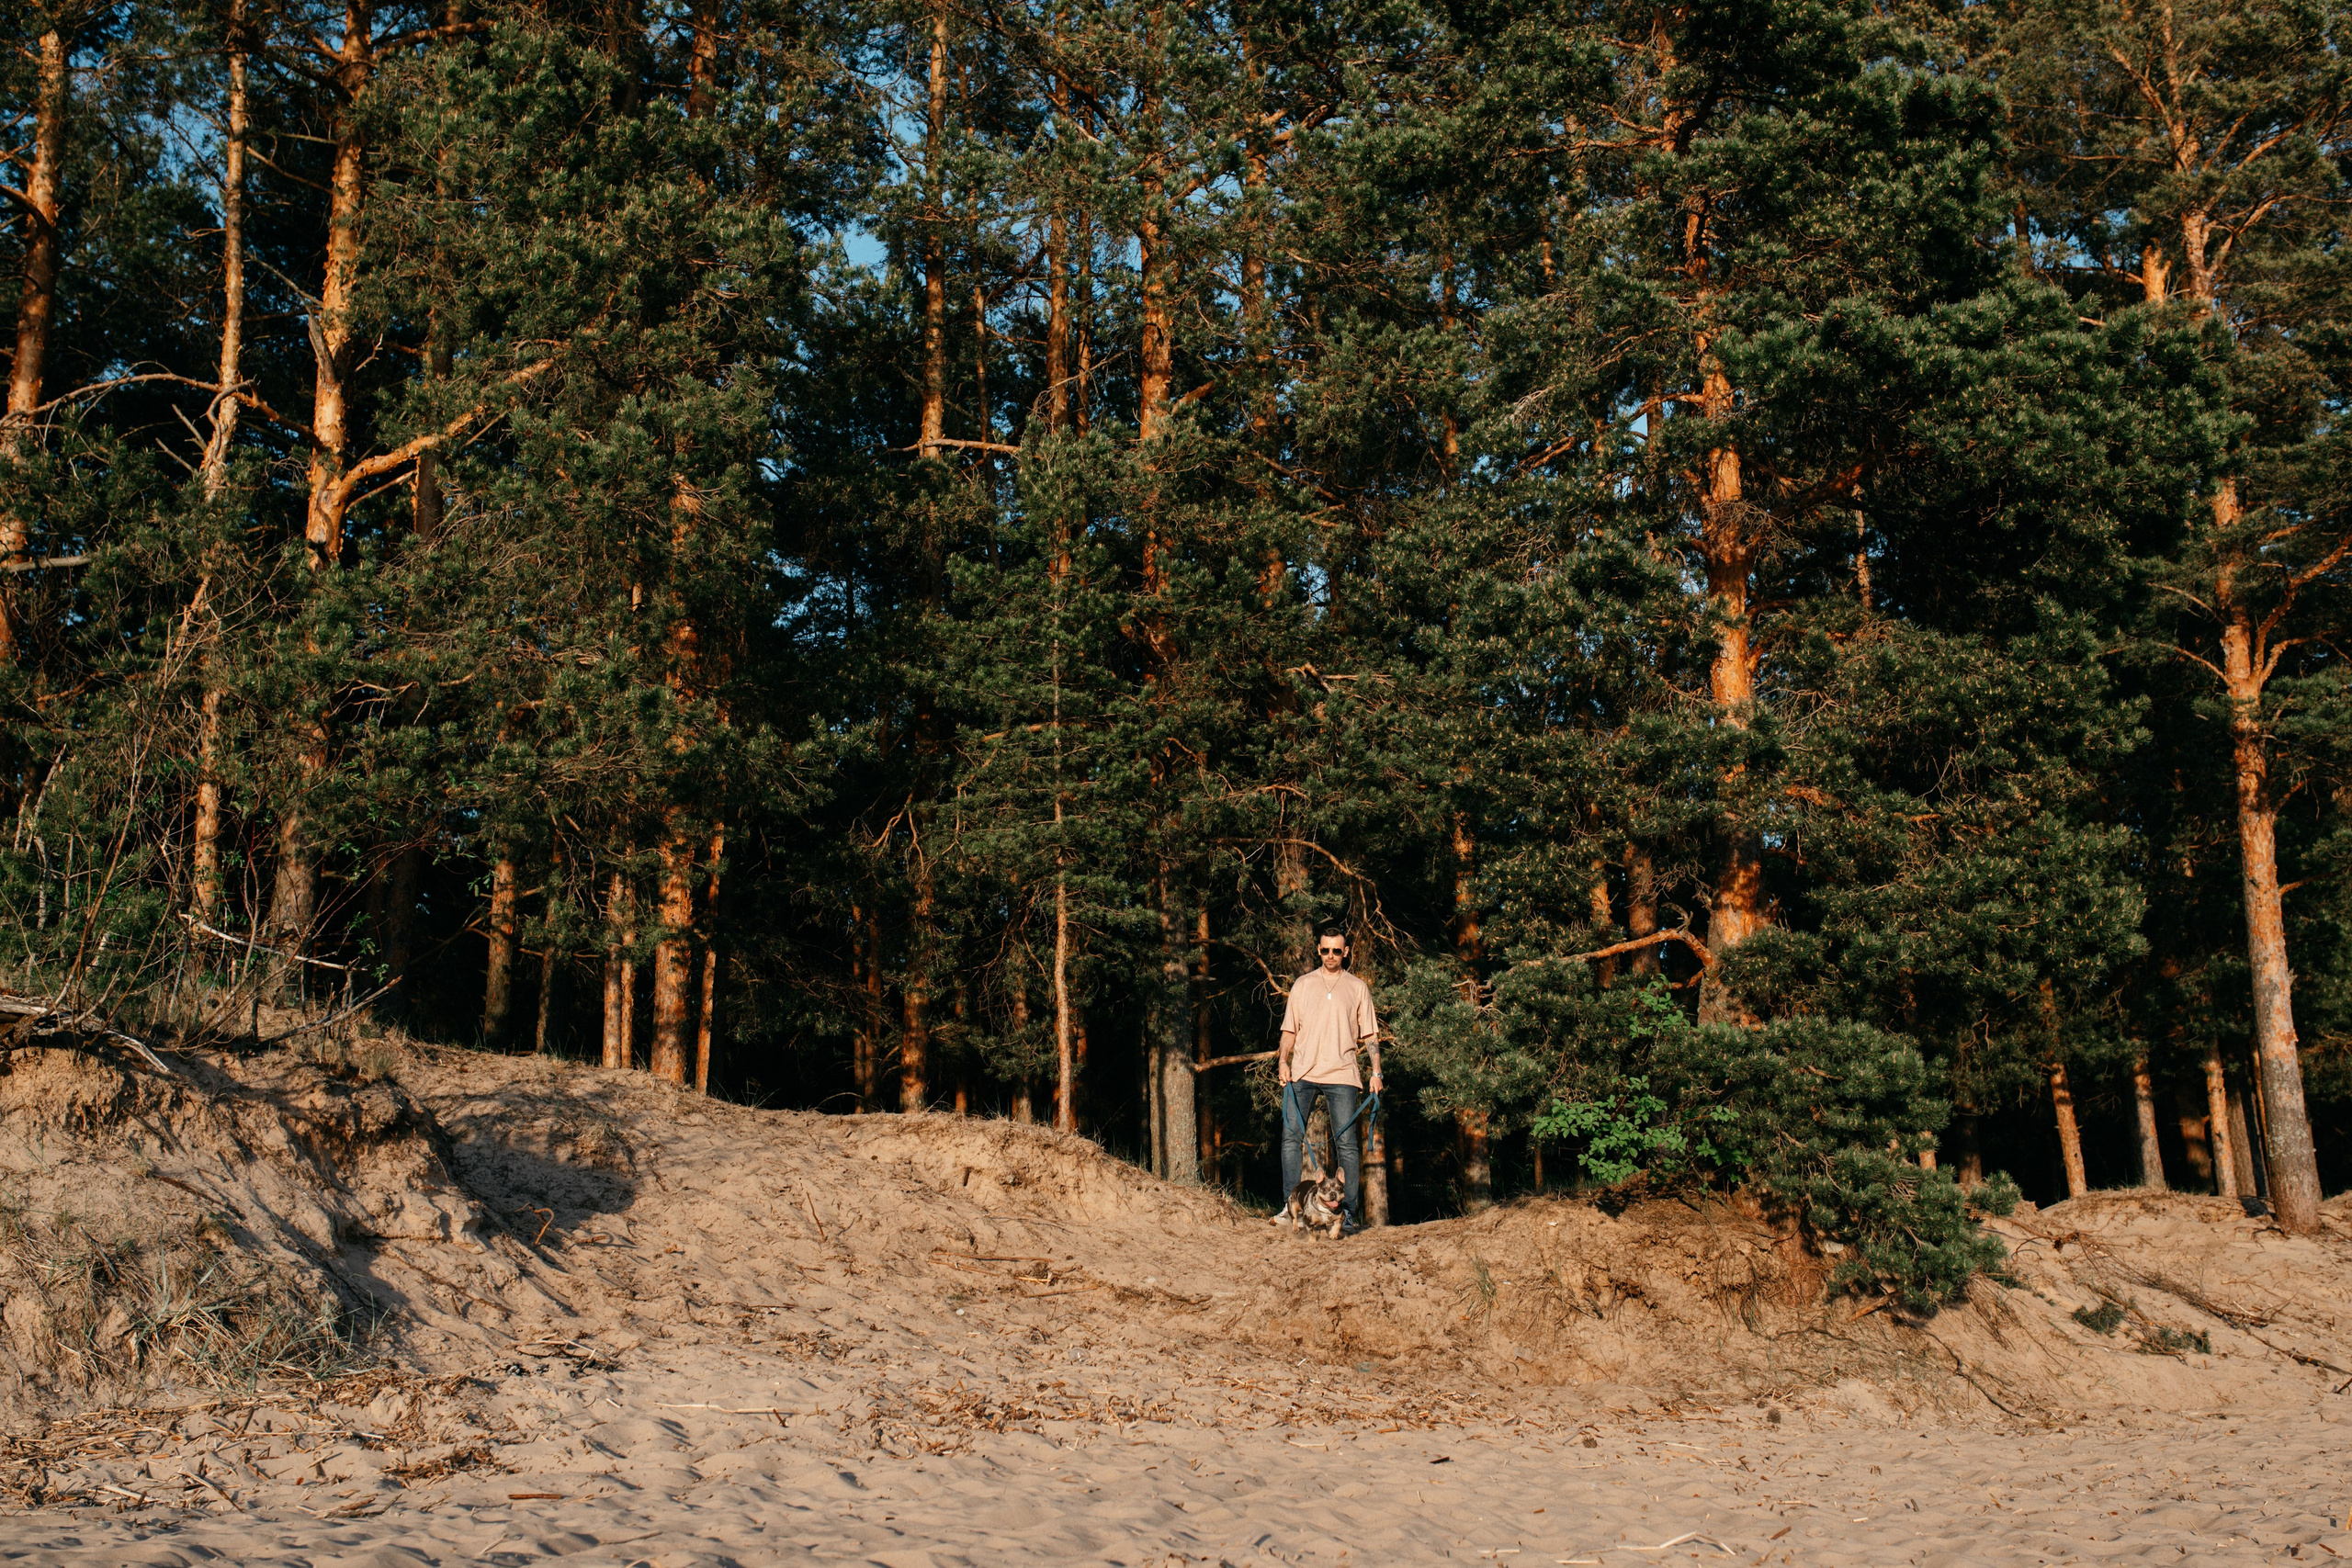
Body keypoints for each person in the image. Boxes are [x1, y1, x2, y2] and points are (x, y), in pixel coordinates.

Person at [1278, 925, 1383, 1232]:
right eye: (1325, 950)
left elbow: (1370, 1035)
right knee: (1290, 1139)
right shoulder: (1303, 984)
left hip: (1342, 1074)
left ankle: (1345, 1213)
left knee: (1347, 1145)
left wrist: (1376, 1071)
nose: (1331, 956)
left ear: (1346, 952)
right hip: (1302, 1073)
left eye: (1337, 950)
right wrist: (1284, 1062)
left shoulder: (1357, 987)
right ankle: (1289, 1208)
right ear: (1318, 949)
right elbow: (1289, 1031)